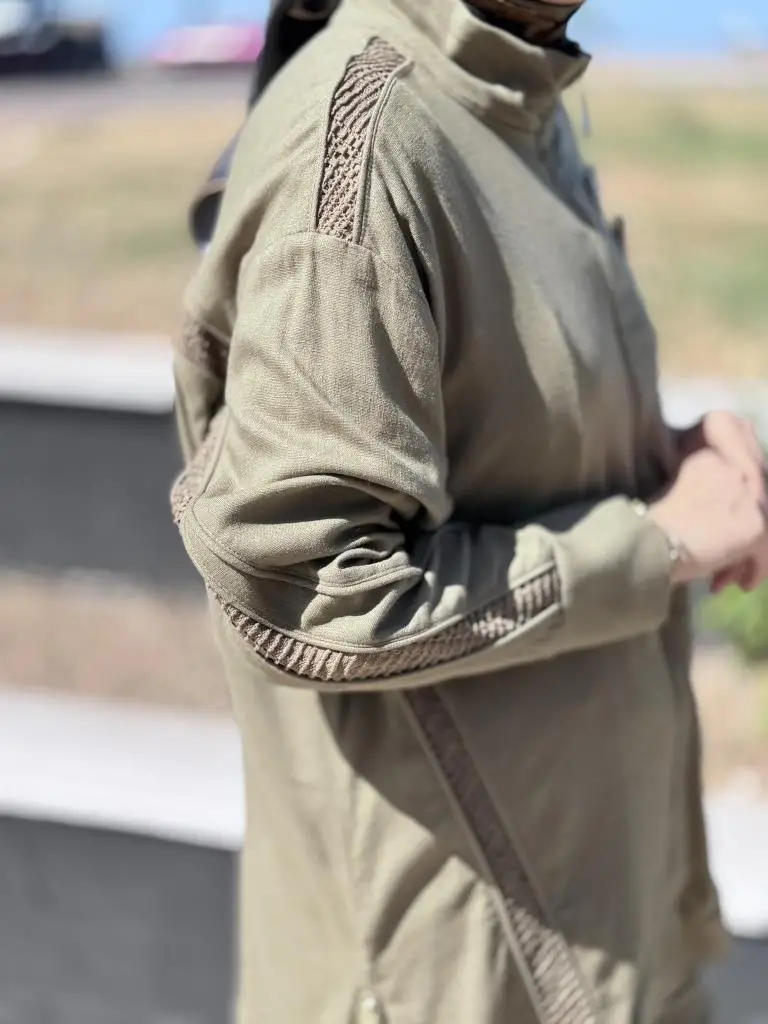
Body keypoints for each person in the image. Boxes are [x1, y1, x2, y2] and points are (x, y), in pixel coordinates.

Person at [171, 1, 768, 1021]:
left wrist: (654, 455)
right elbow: (312, 593)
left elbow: (500, 436)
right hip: (460, 977)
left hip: (601, 934)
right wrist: (656, 540)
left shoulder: (510, 88)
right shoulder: (364, 145)